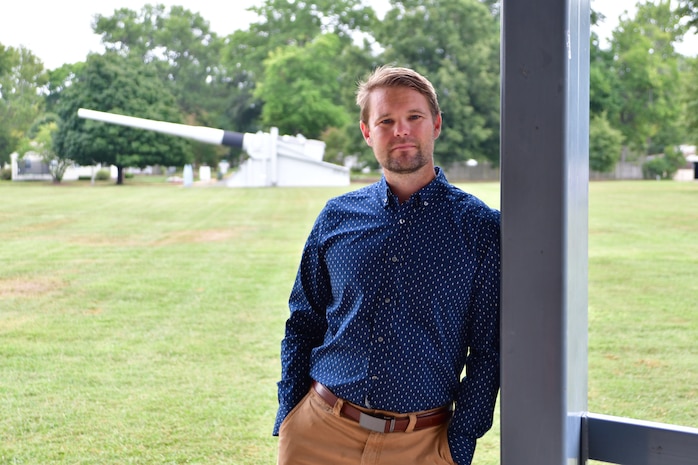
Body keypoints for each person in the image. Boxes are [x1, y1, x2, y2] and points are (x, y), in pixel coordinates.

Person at [273, 65, 500, 465]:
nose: (401, 130)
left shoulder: (479, 228)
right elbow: (303, 322)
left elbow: (488, 350)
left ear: (436, 124)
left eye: (414, 117)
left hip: (422, 446)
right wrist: (291, 414)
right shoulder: (336, 217)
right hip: (318, 435)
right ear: (367, 132)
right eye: (386, 121)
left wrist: (458, 444)